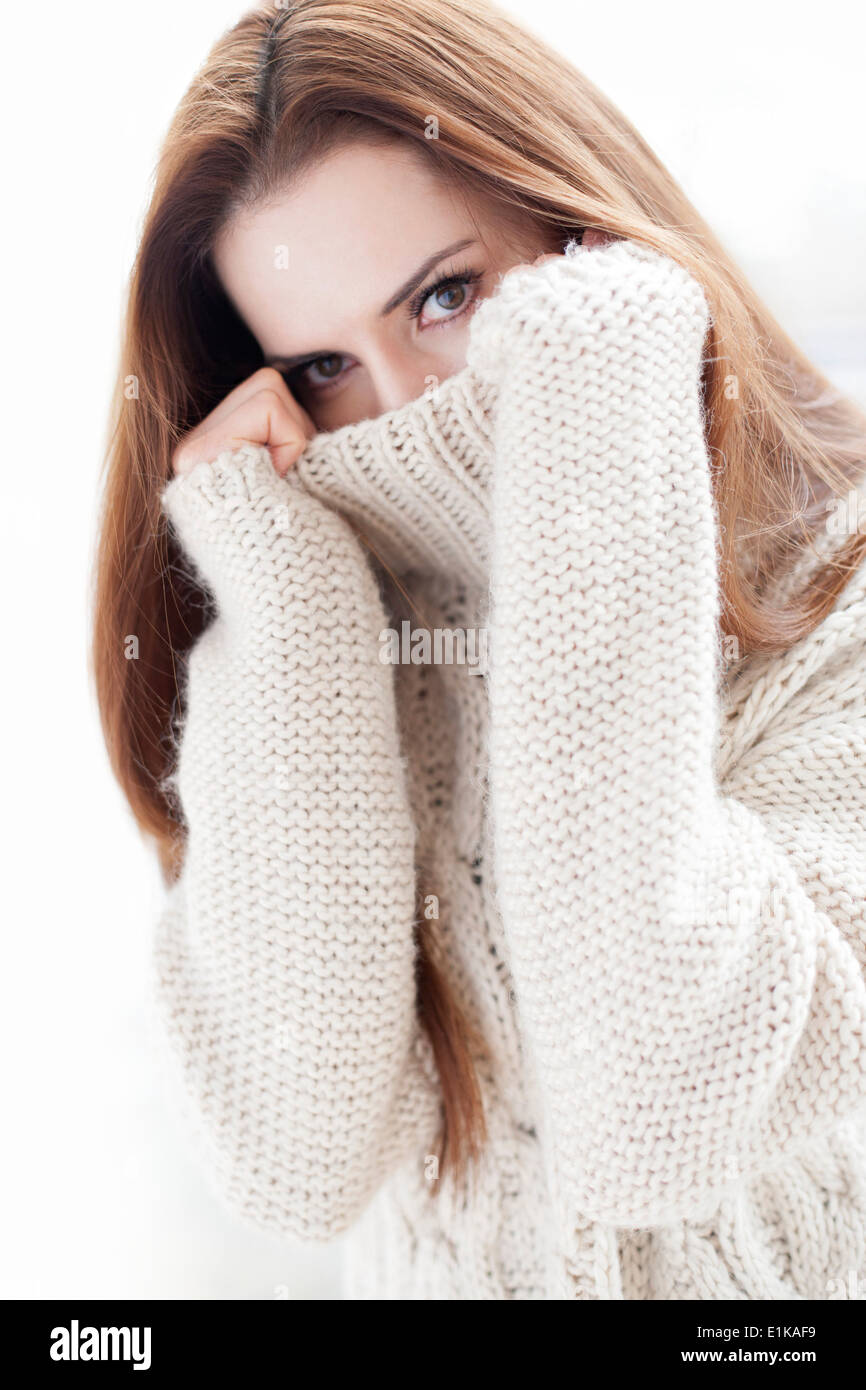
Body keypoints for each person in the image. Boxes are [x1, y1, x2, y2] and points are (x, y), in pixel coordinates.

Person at [92, 0, 866, 1299]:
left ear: (583, 240)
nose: (402, 408)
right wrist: (287, 604)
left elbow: (661, 1094)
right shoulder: (326, 652)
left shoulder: (837, 597)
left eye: (445, 297)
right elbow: (294, 1160)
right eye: (323, 366)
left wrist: (598, 425)